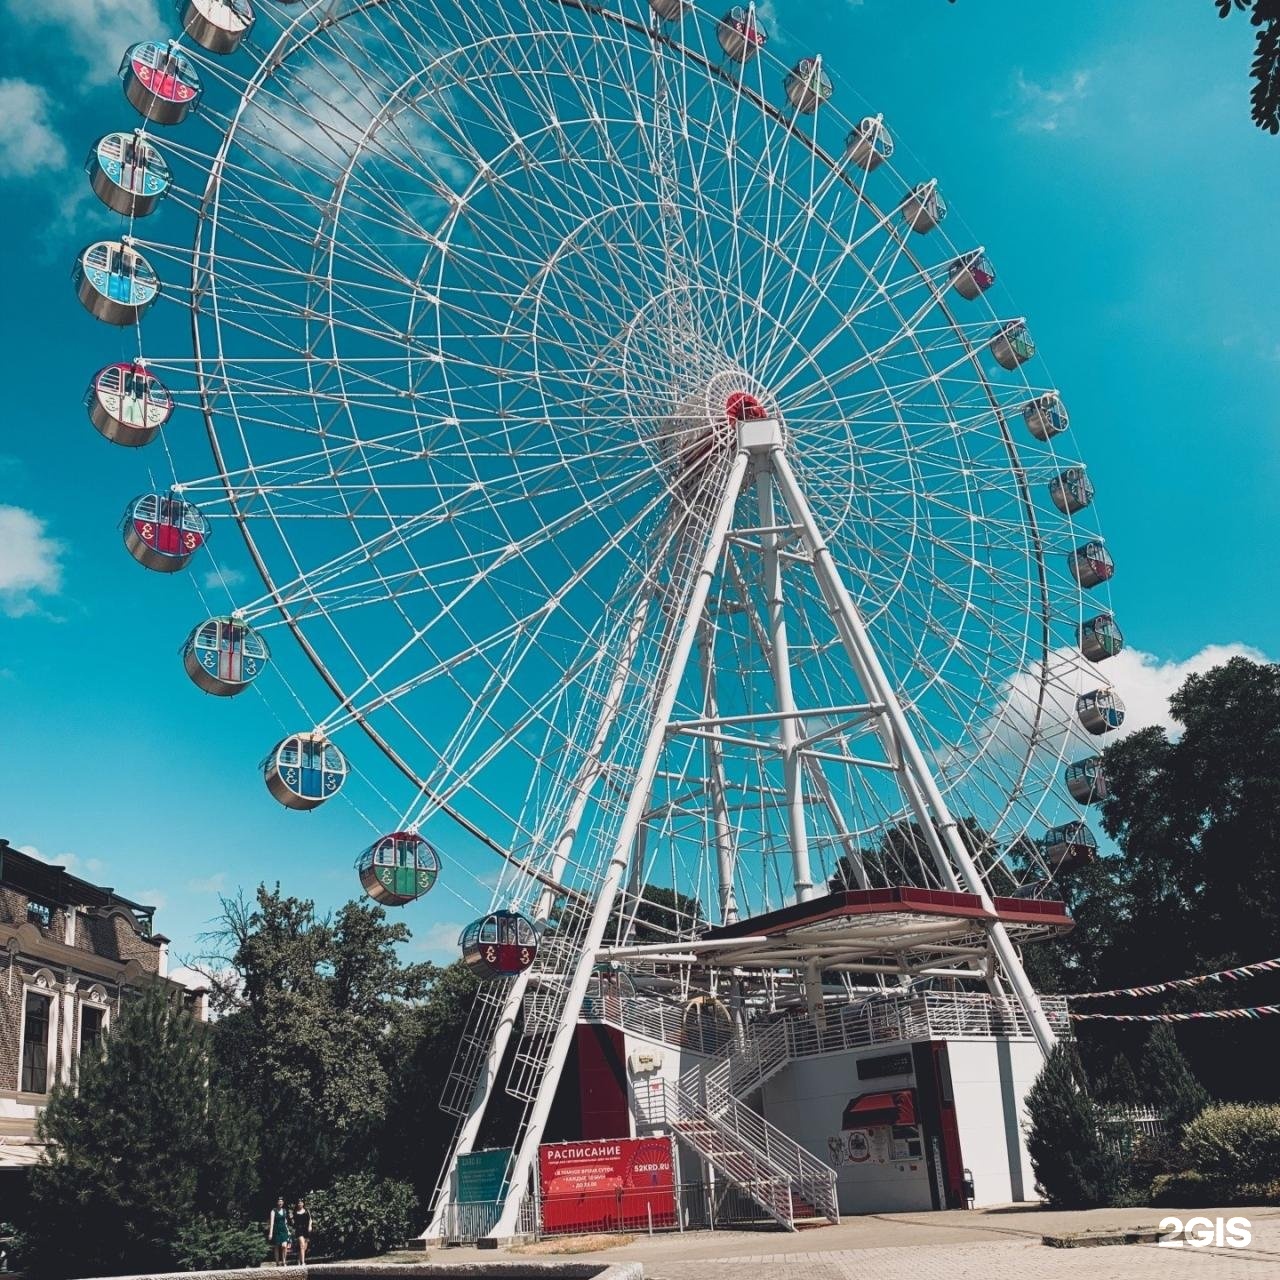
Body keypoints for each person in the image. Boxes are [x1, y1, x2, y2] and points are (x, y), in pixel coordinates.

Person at [267, 1196, 291, 1267]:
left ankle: (284, 1261)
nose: (280, 1203)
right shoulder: (273, 1211)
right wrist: (270, 1233)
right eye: (279, 1201)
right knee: (276, 1246)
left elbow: (285, 1222)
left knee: (284, 1246)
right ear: (277, 1202)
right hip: (276, 1230)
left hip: (284, 1230)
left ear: (283, 1202)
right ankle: (277, 1262)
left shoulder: (284, 1210)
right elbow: (271, 1223)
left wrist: (288, 1230)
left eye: (281, 1201)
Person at [292, 1198, 312, 1264]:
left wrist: (310, 1226)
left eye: (301, 1203)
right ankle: (303, 1262)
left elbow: (310, 1220)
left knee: (304, 1247)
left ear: (303, 1204)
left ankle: (299, 1259)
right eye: (299, 1203)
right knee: (302, 1244)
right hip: (299, 1229)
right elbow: (293, 1221)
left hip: (306, 1229)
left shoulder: (306, 1211)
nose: (300, 1204)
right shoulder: (295, 1212)